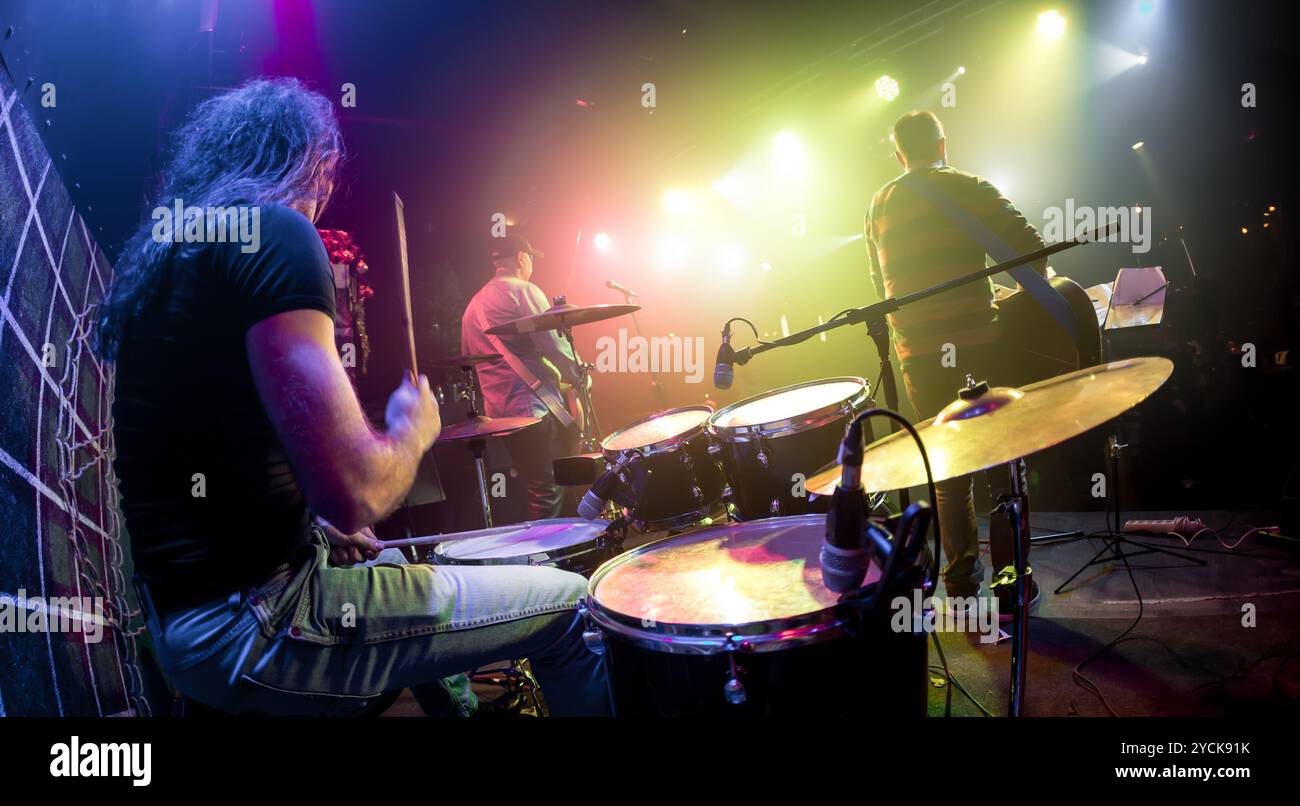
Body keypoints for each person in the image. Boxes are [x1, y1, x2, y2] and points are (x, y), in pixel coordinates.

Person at [98, 77, 608, 715]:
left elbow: (207, 454)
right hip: (255, 625)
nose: (322, 200)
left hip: (184, 623)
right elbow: (359, 488)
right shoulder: (276, 232)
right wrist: (412, 431)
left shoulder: (174, 257)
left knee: (405, 590)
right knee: (572, 606)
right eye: (326, 178)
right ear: (309, 163)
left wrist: (313, 525)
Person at [865, 110, 1047, 616]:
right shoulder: (968, 185)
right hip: (976, 347)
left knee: (948, 471)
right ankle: (1012, 585)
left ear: (900, 155)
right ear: (943, 144)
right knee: (1002, 460)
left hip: (916, 356)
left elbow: (882, 291)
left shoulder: (878, 204)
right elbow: (1031, 245)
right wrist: (1022, 299)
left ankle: (963, 589)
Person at [460, 234, 583, 520]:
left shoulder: (472, 307)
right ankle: (544, 559)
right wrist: (579, 376)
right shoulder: (522, 291)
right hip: (535, 409)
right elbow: (552, 343)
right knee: (549, 489)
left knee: (538, 485)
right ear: (521, 257)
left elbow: (470, 361)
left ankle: (561, 554)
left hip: (501, 415)